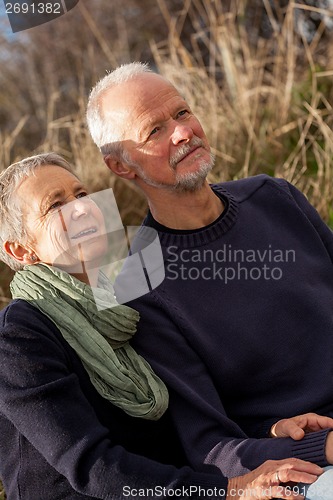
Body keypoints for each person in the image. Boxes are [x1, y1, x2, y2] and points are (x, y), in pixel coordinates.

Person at [0, 152, 318, 500]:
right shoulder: (19, 335)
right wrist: (230, 490)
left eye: (81, 194)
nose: (80, 209)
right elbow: (94, 467)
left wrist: (266, 432)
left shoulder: (127, 301)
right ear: (20, 250)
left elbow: (188, 424)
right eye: (55, 205)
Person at [85, 62, 333, 483]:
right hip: (312, 465)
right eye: (154, 131)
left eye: (182, 113)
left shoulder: (275, 197)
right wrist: (318, 447)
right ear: (122, 166)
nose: (183, 132)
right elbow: (211, 448)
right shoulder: (138, 288)